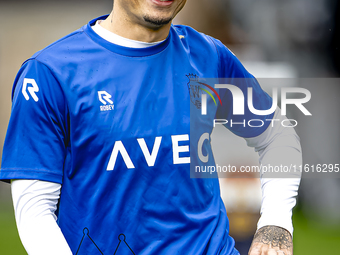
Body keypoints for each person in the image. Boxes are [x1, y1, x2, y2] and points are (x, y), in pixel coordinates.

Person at [0, 0, 302, 254]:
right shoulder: (51, 72)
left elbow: (277, 134)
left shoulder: (207, 55)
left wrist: (275, 224)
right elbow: (35, 211)